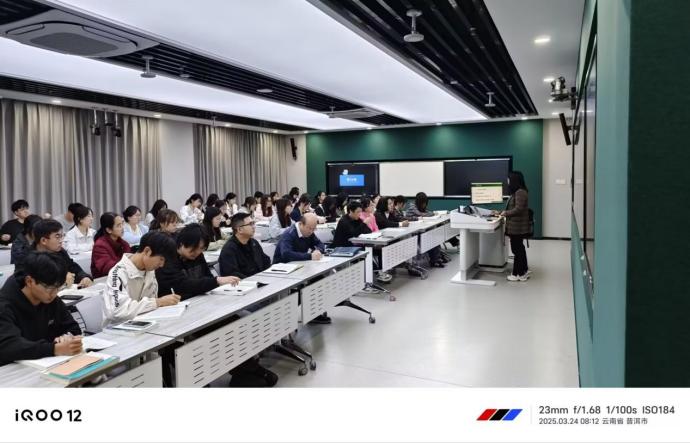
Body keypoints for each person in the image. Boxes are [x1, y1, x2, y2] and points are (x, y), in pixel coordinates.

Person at [0, 251, 83, 366]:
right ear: (29, 281)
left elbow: (73, 328)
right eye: (49, 288)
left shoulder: (50, 298)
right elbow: (9, 346)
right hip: (11, 369)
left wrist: (66, 338)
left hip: (46, 363)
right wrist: (54, 349)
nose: (54, 293)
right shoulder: (4, 305)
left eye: (58, 287)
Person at [101, 231, 180, 326]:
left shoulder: (149, 270)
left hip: (145, 324)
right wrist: (157, 302)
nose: (162, 265)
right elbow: (117, 311)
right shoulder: (118, 273)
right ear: (147, 251)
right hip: (118, 329)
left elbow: (151, 305)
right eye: (161, 259)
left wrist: (159, 303)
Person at [273, 213, 330, 324]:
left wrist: (318, 251)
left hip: (300, 266)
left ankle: (313, 313)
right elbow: (286, 254)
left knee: (319, 279)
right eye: (309, 228)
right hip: (283, 269)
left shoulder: (309, 232)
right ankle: (287, 314)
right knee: (311, 283)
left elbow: (320, 244)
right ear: (301, 224)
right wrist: (310, 256)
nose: (311, 231)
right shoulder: (289, 234)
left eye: (314, 229)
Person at [156, 224, 239, 299]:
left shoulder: (198, 255)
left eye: (202, 248)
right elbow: (183, 285)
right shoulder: (167, 259)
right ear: (181, 243)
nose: (197, 252)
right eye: (194, 248)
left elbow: (208, 276)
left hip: (200, 299)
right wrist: (216, 280)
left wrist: (213, 282)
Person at [14, 220, 93, 288]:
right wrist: (60, 280)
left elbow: (74, 268)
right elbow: (22, 282)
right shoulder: (25, 257)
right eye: (57, 237)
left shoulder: (60, 252)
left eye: (62, 236)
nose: (61, 240)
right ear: (43, 240)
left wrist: (84, 277)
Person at [499, 171, 531, 282]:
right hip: (517, 227)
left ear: (514, 180)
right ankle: (524, 270)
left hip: (517, 228)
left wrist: (505, 213)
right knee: (520, 249)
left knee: (517, 250)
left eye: (509, 179)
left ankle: (518, 274)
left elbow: (518, 209)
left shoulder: (520, 192)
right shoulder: (518, 192)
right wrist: (503, 212)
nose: (507, 181)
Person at [219, 213, 271, 279]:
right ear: (240, 229)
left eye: (253, 223)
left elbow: (265, 261)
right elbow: (233, 275)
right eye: (250, 224)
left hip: (261, 279)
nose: (254, 227)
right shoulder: (229, 250)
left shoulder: (254, 243)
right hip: (245, 283)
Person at [406, 192, 445, 268]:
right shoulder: (412, 208)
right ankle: (434, 259)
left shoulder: (420, 208)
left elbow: (428, 212)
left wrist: (431, 213)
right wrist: (432, 213)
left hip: (421, 231)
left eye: (425, 203)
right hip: (413, 234)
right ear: (419, 202)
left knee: (434, 237)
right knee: (430, 238)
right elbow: (422, 214)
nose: (425, 205)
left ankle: (436, 258)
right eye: (423, 203)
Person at [91, 212, 131, 279]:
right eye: (118, 226)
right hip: (104, 280)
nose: (122, 228)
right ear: (109, 230)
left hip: (121, 277)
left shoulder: (124, 244)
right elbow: (107, 268)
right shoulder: (100, 246)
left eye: (122, 224)